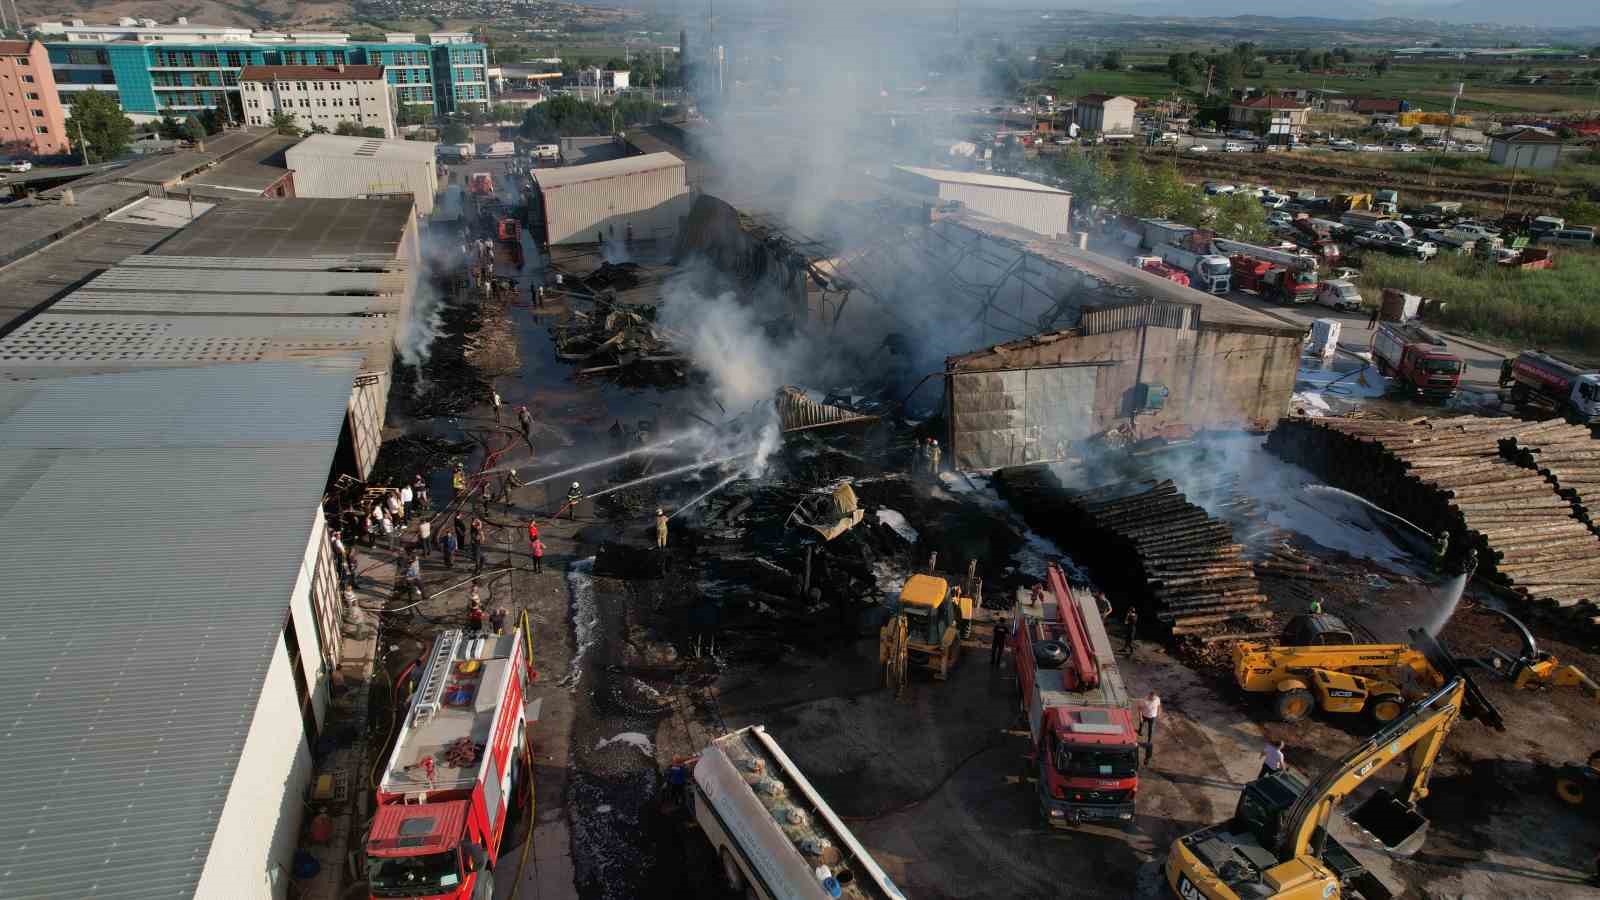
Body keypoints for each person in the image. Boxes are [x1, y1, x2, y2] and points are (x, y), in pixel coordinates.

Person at [1137, 690, 1161, 762]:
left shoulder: (1157, 699)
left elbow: (1159, 706)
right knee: (1141, 724)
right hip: (1145, 716)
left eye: (1154, 697)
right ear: (1149, 695)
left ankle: (1149, 740)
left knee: (1151, 729)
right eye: (1152, 697)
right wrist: (1140, 717)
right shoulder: (1144, 700)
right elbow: (1139, 709)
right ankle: (1140, 731)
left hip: (1152, 717)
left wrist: (1159, 713)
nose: (1153, 699)